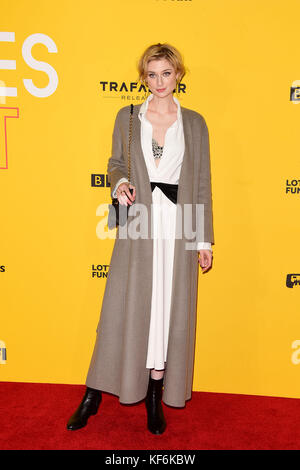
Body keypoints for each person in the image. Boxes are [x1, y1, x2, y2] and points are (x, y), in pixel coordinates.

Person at [66, 43, 214, 435]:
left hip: (178, 226)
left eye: (166, 73)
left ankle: (154, 396)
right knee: (120, 309)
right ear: (143, 77)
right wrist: (121, 182)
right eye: (152, 74)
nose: (159, 81)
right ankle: (93, 394)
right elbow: (116, 163)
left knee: (167, 311)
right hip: (138, 220)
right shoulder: (129, 117)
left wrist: (204, 241)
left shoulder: (195, 123)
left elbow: (200, 186)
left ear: (178, 74)